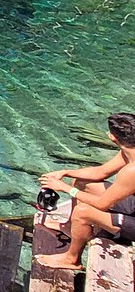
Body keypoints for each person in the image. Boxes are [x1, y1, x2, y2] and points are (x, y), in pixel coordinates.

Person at [37, 111, 135, 269]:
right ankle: (71, 227)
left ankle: (72, 259)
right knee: (81, 182)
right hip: (133, 205)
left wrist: (65, 188)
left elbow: (102, 204)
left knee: (83, 212)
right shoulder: (128, 151)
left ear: (112, 137)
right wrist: (65, 173)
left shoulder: (131, 171)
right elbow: (101, 172)